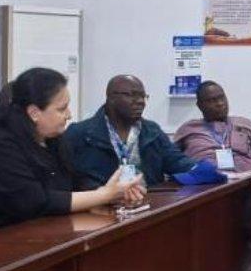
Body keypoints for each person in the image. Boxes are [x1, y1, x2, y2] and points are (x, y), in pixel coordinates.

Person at [0, 68, 143, 232]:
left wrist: (110, 195)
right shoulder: (0, 145)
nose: (69, 115)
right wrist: (102, 195)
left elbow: (75, 182)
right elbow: (34, 201)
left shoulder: (53, 139)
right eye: (62, 109)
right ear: (34, 113)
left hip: (45, 233)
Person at [62, 74, 198, 187]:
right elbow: (68, 180)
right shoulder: (80, 133)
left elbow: (177, 162)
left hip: (150, 203)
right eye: (132, 95)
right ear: (111, 97)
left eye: (143, 96)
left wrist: (204, 169)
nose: (140, 101)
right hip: (100, 205)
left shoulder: (152, 131)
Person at [173, 81, 251, 173]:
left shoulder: (246, 125)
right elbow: (173, 161)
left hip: (247, 179)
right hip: (207, 181)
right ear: (200, 105)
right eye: (212, 100)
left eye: (222, 98)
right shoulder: (188, 130)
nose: (220, 103)